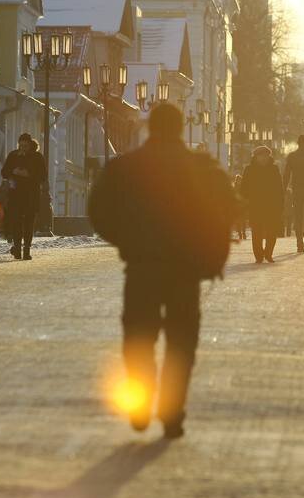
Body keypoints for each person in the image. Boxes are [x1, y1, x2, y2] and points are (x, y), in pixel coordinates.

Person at [88, 104, 236, 439]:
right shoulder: (203, 169)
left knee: (138, 336)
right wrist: (213, 260)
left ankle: (139, 403)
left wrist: (125, 239)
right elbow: (224, 215)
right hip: (186, 270)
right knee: (181, 342)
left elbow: (98, 210)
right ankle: (172, 414)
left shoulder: (126, 167)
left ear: (149, 128)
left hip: (142, 266)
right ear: (181, 127)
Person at [0, 133, 47, 260]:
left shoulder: (37, 157)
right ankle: (17, 248)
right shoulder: (13, 155)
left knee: (28, 222)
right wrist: (13, 172)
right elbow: (4, 172)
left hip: (31, 194)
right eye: (20, 145)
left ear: (30, 145)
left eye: (25, 145)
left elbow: (43, 176)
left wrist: (28, 174)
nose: (23, 148)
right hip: (15, 194)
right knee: (16, 221)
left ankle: (26, 249)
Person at [240, 146, 284, 263]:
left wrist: (280, 203)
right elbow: (243, 187)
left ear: (269, 156)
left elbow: (279, 188)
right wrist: (244, 201)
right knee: (257, 231)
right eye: (261, 155)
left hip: (271, 205)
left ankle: (268, 254)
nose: (263, 158)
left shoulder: (274, 169)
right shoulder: (249, 169)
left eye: (266, 155)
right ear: (256, 157)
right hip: (255, 204)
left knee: (271, 231)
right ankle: (259, 255)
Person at [232, 175, 247, 241]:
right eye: (238, 180)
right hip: (236, 206)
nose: (239, 181)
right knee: (238, 220)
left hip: (242, 205)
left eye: (240, 180)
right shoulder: (234, 187)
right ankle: (240, 233)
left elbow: (245, 195)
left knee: (243, 220)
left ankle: (243, 233)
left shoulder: (243, 187)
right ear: (236, 180)